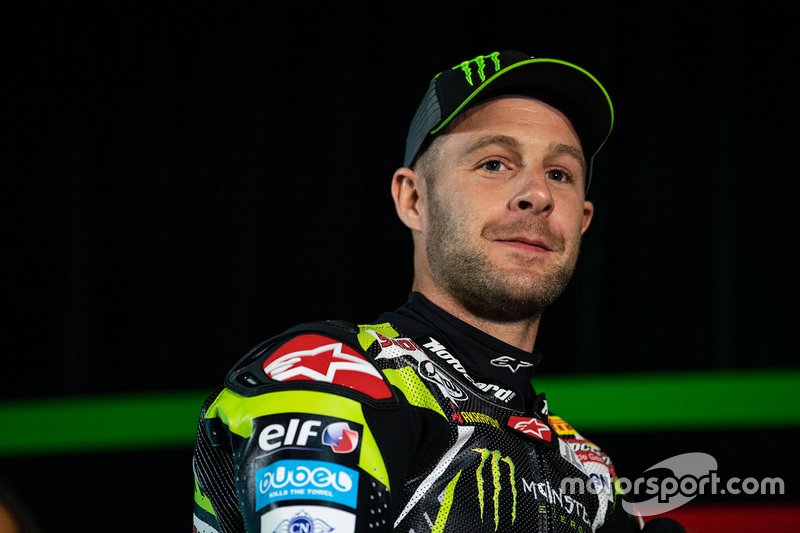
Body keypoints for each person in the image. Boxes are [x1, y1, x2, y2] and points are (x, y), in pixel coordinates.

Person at [192, 49, 641, 532]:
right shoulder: (329, 374)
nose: (538, 195)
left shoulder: (590, 472)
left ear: (583, 221)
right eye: (494, 163)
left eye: (560, 174)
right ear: (412, 199)